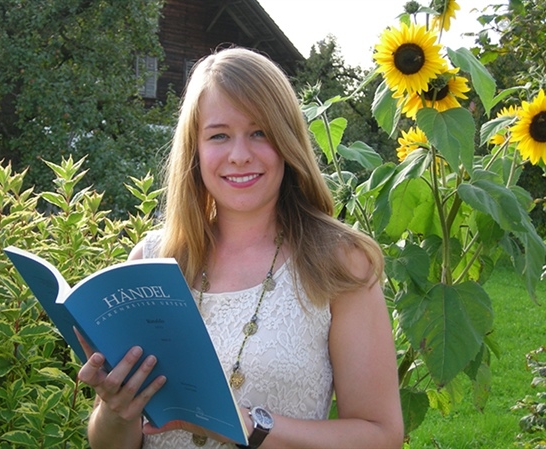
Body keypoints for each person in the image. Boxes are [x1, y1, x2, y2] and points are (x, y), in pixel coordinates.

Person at [78, 46, 404, 449]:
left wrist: (247, 425)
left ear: (287, 140)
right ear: (195, 150)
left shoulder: (339, 263)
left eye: (259, 132)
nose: (239, 155)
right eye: (219, 135)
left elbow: (380, 435)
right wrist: (115, 410)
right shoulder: (151, 261)